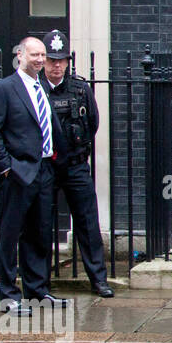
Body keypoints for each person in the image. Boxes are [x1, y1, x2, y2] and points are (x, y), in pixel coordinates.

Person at [0, 35, 68, 314]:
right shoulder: (4, 88)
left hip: (43, 171)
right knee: (9, 236)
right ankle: (9, 296)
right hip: (17, 172)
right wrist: (6, 168)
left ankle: (37, 291)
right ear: (20, 55)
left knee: (39, 235)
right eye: (34, 55)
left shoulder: (41, 86)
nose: (41, 60)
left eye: (43, 55)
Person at [42, 30, 113, 298]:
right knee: (40, 224)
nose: (56, 65)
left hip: (75, 165)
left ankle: (98, 279)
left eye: (61, 60)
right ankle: (40, 282)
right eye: (51, 60)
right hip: (45, 166)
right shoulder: (35, 89)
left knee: (87, 222)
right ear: (43, 62)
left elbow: (92, 123)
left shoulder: (80, 89)